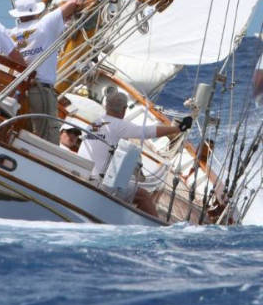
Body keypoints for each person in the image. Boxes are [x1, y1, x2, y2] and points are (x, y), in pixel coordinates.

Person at [78, 87, 192, 216]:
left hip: (84, 176)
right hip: (100, 184)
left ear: (106, 106)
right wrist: (177, 129)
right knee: (143, 196)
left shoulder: (95, 124)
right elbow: (147, 132)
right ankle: (157, 228)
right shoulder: (119, 125)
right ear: (124, 109)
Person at [9, 0, 85, 143]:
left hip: (18, 90)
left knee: (24, 130)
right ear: (36, 12)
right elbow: (73, 3)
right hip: (40, 89)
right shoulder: (45, 23)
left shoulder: (12, 34)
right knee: (48, 137)